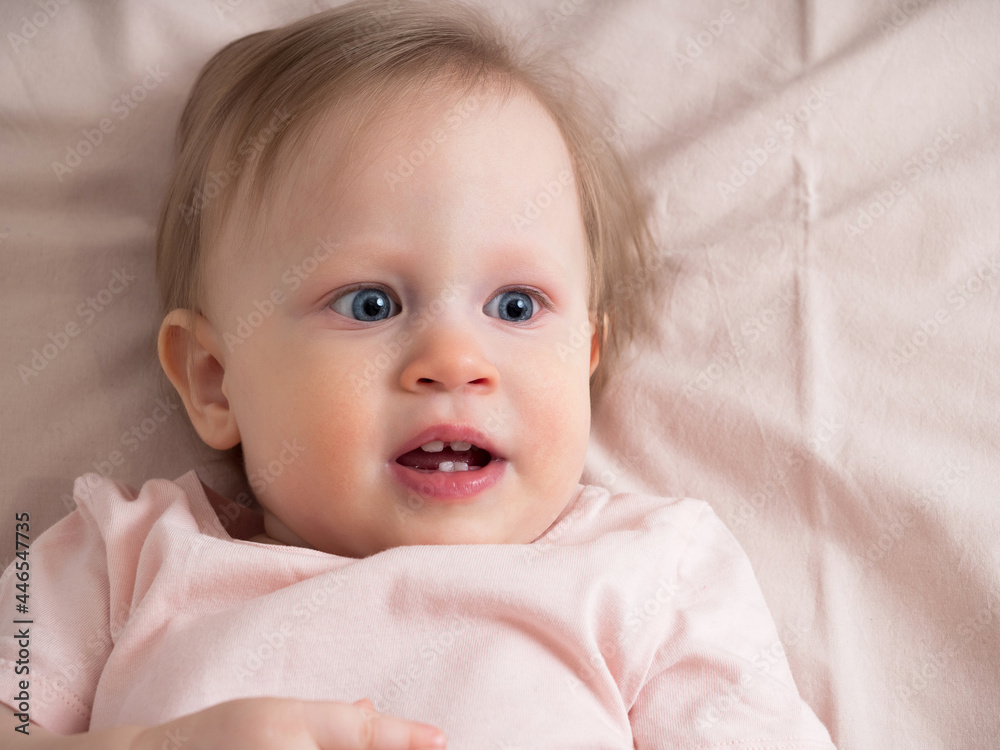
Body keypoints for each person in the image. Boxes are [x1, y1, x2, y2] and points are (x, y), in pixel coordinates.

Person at [0, 1, 837, 748]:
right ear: (216, 381)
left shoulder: (651, 573)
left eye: (516, 307)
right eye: (369, 304)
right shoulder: (117, 559)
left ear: (584, 361)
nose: (455, 363)